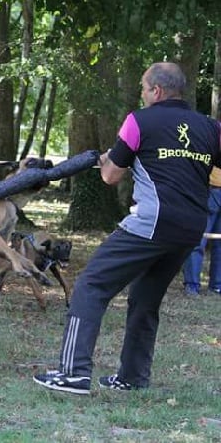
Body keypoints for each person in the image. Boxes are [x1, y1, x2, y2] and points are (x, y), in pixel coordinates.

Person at [32, 62, 221, 395]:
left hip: (151, 222)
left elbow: (110, 176)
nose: (143, 93)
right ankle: (133, 377)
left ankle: (73, 373)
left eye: (144, 88)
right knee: (145, 299)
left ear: (156, 91)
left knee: (91, 285)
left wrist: (109, 160)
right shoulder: (211, 127)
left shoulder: (139, 120)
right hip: (191, 228)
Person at [182, 166, 221, 296]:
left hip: (211, 189)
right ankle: (192, 285)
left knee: (213, 242)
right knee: (198, 239)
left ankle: (216, 286)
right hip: (209, 189)